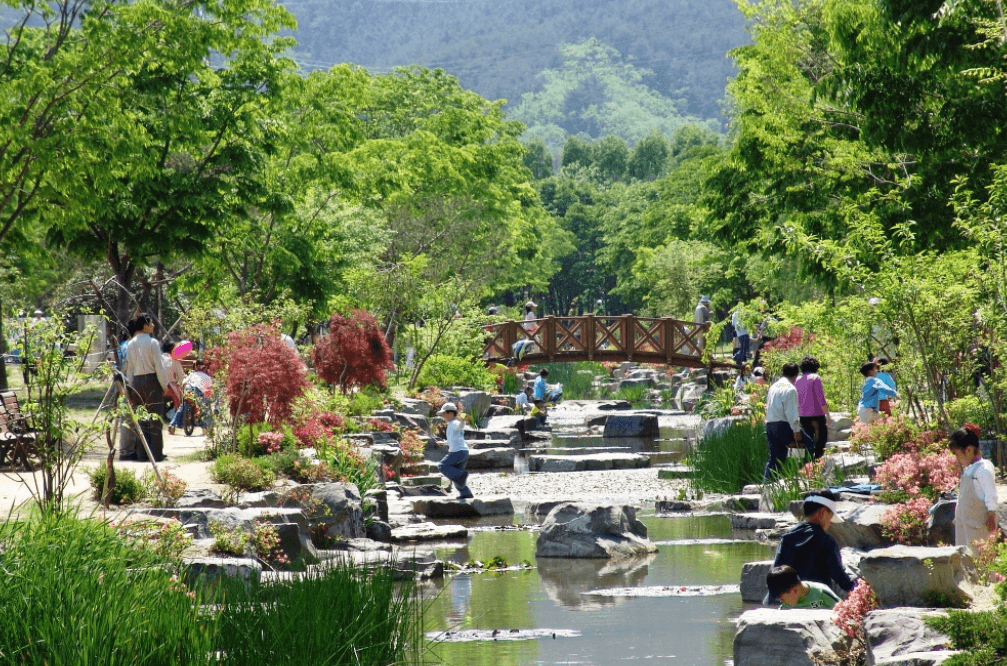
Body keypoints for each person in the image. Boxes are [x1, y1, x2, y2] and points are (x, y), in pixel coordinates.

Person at [771, 490, 855, 601]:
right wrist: (857, 591)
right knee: (832, 605)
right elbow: (838, 574)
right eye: (830, 518)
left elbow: (776, 571)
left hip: (790, 603)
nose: (830, 523)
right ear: (822, 513)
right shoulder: (827, 540)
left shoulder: (787, 538)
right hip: (816, 602)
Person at [122, 314, 168, 461]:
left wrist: (129, 388)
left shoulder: (131, 343)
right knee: (155, 419)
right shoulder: (153, 342)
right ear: (145, 325)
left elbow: (129, 369)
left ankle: (142, 454)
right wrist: (164, 385)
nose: (153, 325)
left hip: (136, 382)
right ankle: (156, 454)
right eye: (151, 323)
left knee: (141, 419)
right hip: (152, 381)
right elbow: (159, 367)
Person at [949, 425, 998, 553]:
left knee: (981, 558)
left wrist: (991, 514)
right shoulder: (971, 469)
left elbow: (990, 493)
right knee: (967, 558)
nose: (957, 459)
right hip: (967, 526)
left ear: (969, 450)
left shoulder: (983, 469)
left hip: (978, 526)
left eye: (957, 454)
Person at [763, 363, 814, 481]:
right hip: (783, 424)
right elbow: (791, 412)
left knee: (775, 456)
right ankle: (807, 474)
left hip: (770, 424)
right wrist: (796, 430)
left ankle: (767, 482)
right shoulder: (790, 389)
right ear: (796, 375)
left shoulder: (774, 386)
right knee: (808, 444)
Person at [795, 355, 829, 459]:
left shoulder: (797, 379)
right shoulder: (815, 378)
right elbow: (820, 398)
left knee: (807, 438)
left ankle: (806, 462)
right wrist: (827, 414)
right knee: (821, 437)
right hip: (817, 413)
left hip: (803, 414)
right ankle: (818, 459)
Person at [437, 402, 473, 499]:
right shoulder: (451, 424)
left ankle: (462, 475)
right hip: (463, 452)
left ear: (451, 413)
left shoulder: (454, 423)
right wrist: (444, 443)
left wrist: (463, 421)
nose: (443, 416)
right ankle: (466, 493)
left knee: (442, 466)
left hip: (457, 452)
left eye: (444, 414)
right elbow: (454, 439)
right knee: (457, 477)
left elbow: (460, 426)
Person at [766, 565, 840, 609]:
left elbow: (843, 611)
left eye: (780, 597)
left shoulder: (821, 593)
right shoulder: (787, 603)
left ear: (794, 590)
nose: (781, 601)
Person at [160, 340, 186, 424]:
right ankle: (179, 419)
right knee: (180, 399)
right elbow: (181, 376)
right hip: (170, 388)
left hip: (158, 387)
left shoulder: (158, 359)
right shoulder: (174, 360)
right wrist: (179, 384)